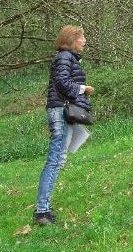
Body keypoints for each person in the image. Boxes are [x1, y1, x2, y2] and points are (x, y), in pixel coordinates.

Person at [34, 26, 95, 225]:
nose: (85, 40)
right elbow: (62, 83)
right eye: (82, 37)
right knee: (55, 160)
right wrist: (83, 88)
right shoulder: (64, 58)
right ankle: (42, 211)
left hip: (60, 111)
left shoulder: (68, 58)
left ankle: (44, 208)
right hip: (60, 112)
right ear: (71, 40)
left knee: (58, 159)